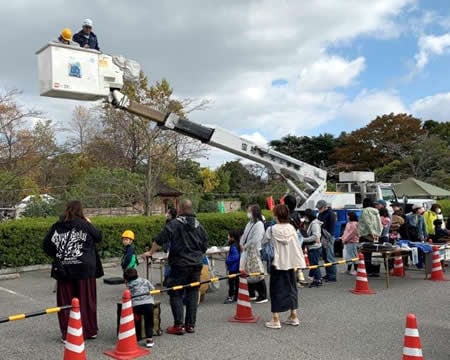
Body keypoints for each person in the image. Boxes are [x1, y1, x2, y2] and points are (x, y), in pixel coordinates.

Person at [144, 199, 207, 335]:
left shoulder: (175, 224)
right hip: (196, 264)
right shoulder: (199, 226)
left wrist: (150, 252)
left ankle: (178, 325)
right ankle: (190, 325)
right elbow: (204, 247)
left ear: (180, 209)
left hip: (179, 264)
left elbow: (159, 239)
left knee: (175, 292)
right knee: (192, 292)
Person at [42, 200, 103, 342]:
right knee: (86, 300)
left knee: (65, 302)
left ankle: (67, 333)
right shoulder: (85, 224)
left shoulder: (57, 226)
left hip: (64, 269)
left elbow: (46, 245)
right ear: (81, 210)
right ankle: (89, 330)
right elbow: (99, 237)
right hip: (84, 268)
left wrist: (58, 256)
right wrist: (89, 223)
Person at [262, 204, 305, 329]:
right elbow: (297, 245)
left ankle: (276, 319)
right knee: (291, 288)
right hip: (291, 263)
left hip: (277, 263)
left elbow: (264, 242)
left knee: (276, 290)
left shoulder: (271, 229)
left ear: (276, 215)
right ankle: (293, 316)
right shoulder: (291, 228)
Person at [239, 204, 268, 303]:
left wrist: (245, 245)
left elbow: (256, 239)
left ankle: (263, 295)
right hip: (247, 251)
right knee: (248, 272)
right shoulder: (250, 223)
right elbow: (244, 234)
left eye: (249, 211)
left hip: (255, 251)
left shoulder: (259, 224)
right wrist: (241, 243)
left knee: (257, 272)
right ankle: (251, 293)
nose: (248, 213)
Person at [123, 268, 155, 348]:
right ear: (137, 274)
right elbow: (153, 289)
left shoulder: (129, 285)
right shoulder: (145, 280)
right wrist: (151, 298)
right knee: (149, 322)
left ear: (126, 279)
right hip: (148, 304)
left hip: (136, 306)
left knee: (136, 321)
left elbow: (127, 295)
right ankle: (149, 340)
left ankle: (137, 337)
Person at [284, 194, 308, 286]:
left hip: (290, 242)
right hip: (298, 241)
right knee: (296, 260)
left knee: (290, 262)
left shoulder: (287, 216)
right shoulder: (296, 214)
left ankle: (293, 281)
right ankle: (299, 278)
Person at [358, 198, 382, 277]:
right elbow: (379, 223)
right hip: (376, 235)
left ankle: (368, 271)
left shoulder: (365, 211)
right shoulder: (376, 212)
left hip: (366, 235)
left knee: (366, 254)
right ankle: (376, 271)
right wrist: (377, 233)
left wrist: (372, 232)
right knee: (375, 253)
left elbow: (368, 222)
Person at [316, 200, 337, 282]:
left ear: (325, 207)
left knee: (330, 256)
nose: (319, 209)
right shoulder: (321, 214)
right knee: (325, 256)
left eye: (320, 208)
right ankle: (328, 274)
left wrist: (328, 237)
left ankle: (332, 276)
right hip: (323, 236)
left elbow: (331, 229)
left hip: (328, 237)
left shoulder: (331, 214)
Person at [302, 209, 323, 288]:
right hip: (313, 247)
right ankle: (317, 279)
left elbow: (315, 236)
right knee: (314, 264)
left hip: (314, 247)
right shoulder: (312, 223)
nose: (304, 218)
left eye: (305, 216)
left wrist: (303, 239)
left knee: (314, 264)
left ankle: (318, 280)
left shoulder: (314, 224)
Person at [224, 229, 242, 304]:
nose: (227, 237)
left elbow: (235, 256)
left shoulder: (233, 246)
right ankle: (236, 296)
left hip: (233, 267)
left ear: (232, 237)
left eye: (229, 235)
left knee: (232, 283)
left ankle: (231, 296)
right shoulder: (238, 244)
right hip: (237, 267)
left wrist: (227, 260)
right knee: (237, 282)